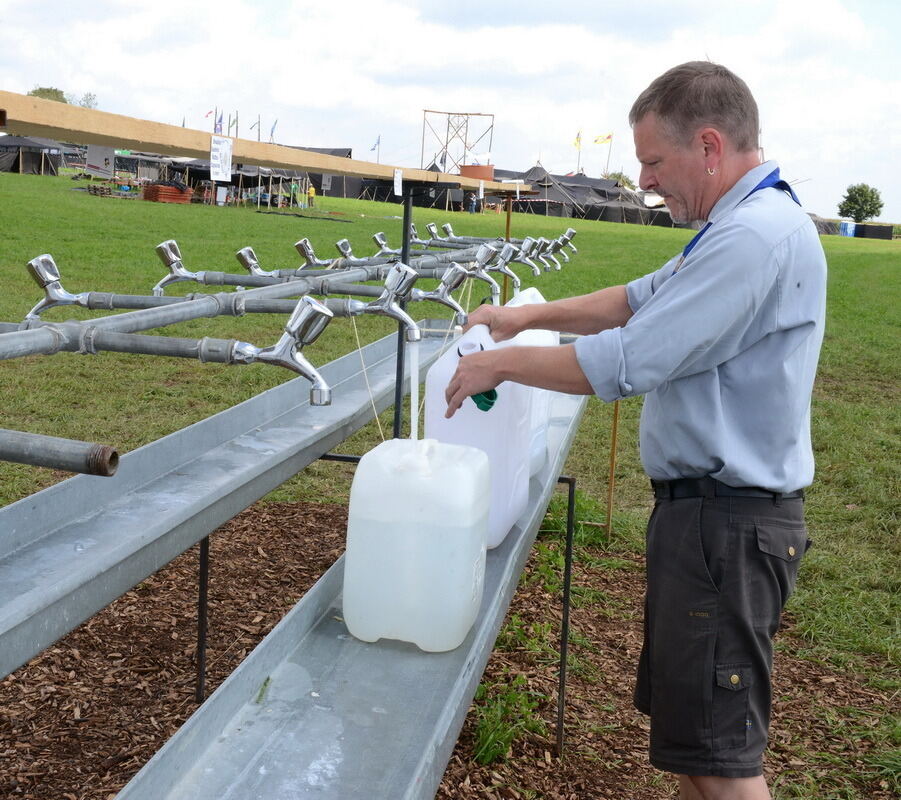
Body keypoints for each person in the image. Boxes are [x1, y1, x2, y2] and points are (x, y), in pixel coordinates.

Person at [444, 61, 826, 800]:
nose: (646, 180)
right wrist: (524, 316)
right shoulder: (734, 228)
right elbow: (633, 300)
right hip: (708, 522)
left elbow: (630, 358)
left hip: (726, 524)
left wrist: (503, 365)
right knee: (699, 755)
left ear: (708, 146)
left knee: (725, 768)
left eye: (653, 161)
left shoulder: (754, 239)